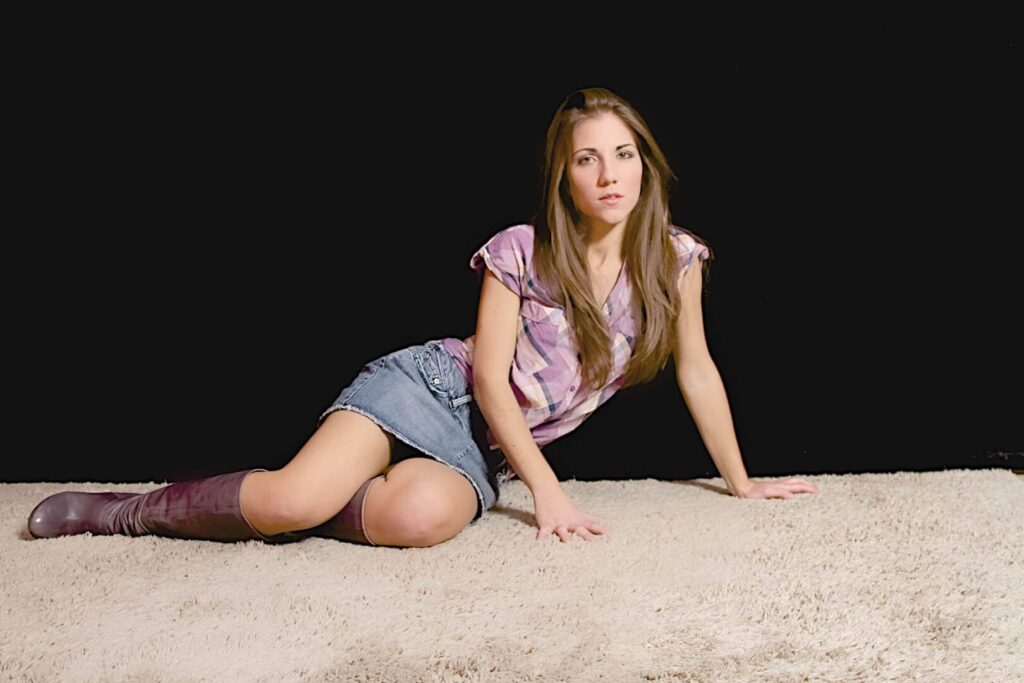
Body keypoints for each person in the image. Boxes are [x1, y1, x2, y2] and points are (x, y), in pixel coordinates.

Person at [27, 86, 819, 548]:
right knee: (292, 500)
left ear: (644, 163)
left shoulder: (676, 261)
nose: (609, 173)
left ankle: (318, 499)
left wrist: (741, 482)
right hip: (434, 389)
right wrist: (548, 493)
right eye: (587, 158)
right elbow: (490, 379)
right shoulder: (521, 250)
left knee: (418, 519)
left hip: (485, 448)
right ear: (565, 177)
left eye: (623, 154)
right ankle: (122, 513)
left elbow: (696, 369)